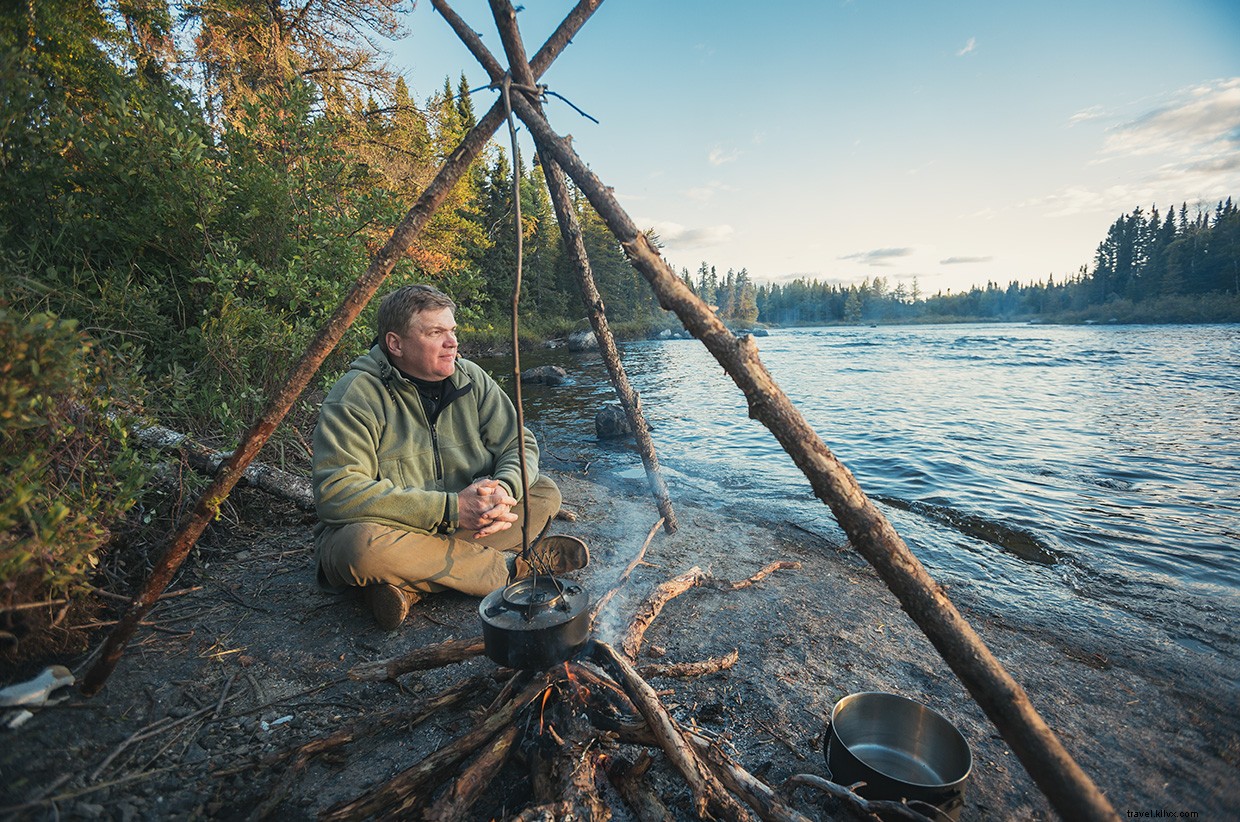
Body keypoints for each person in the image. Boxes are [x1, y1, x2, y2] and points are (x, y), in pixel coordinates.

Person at [312, 284, 588, 629]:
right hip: (391, 529)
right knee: (360, 548)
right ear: (395, 344)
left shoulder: (472, 377)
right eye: (435, 332)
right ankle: (514, 570)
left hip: (455, 528)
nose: (452, 342)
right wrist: (451, 509)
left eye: (452, 331)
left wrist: (504, 487)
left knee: (543, 493)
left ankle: (409, 584)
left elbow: (519, 443)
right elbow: (336, 493)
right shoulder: (356, 395)